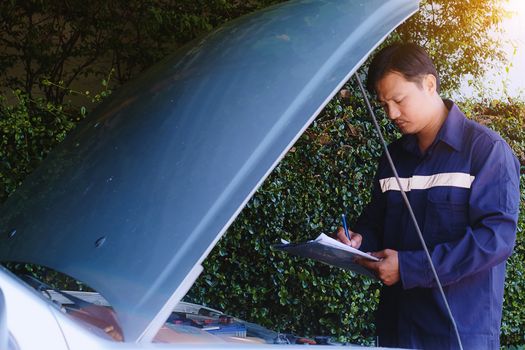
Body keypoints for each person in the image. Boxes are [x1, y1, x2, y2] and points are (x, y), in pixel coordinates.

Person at [336, 43, 520, 349]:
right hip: (396, 327)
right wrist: (358, 240)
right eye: (384, 105)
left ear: (429, 84)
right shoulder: (393, 156)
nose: (391, 113)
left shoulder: (486, 151)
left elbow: (495, 240)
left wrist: (410, 267)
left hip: (457, 332)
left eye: (398, 100)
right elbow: (375, 223)